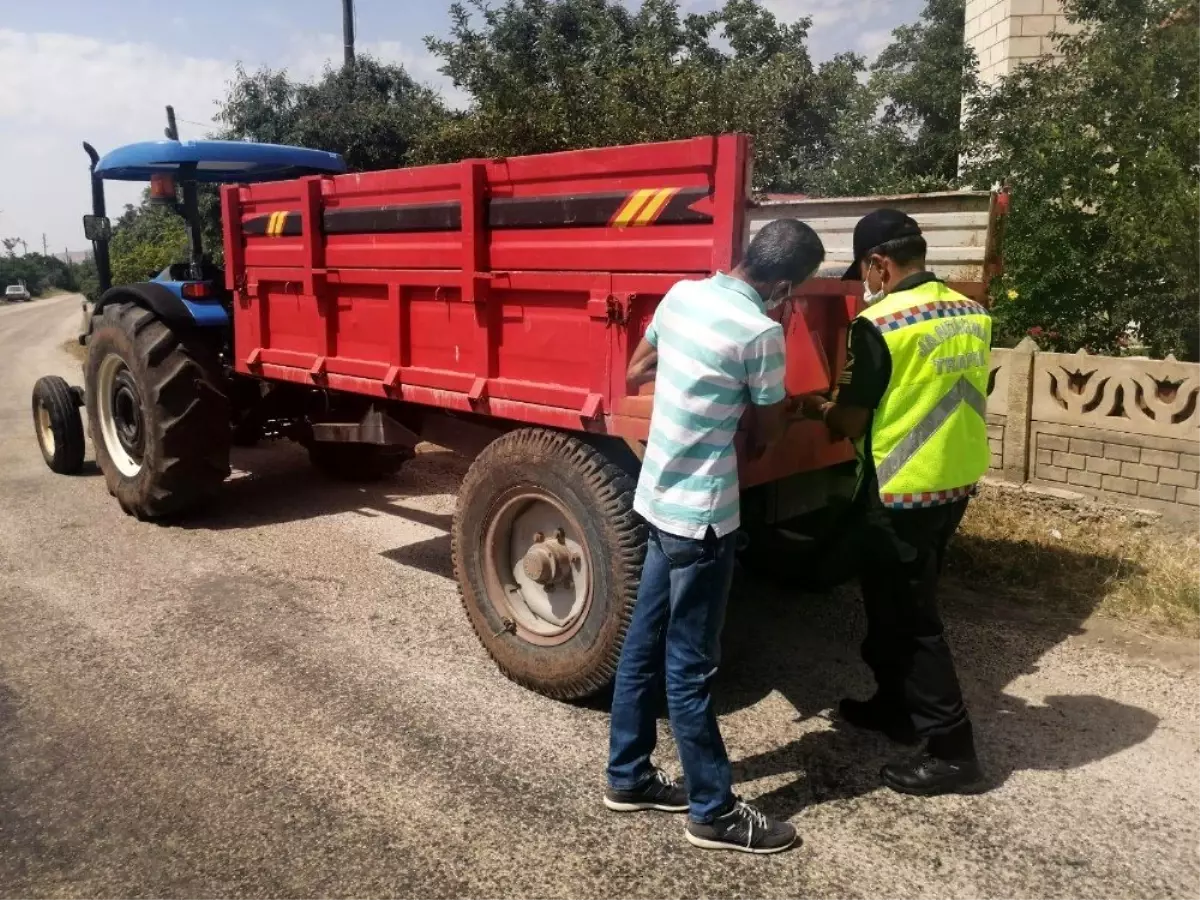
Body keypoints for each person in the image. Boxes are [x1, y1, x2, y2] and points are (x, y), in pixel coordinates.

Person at [605, 219, 825, 854]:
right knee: (691, 666)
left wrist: (691, 388)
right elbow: (771, 427)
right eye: (794, 292)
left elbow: (639, 367)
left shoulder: (680, 296)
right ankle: (714, 811)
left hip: (657, 497)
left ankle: (629, 776)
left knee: (642, 647)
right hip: (703, 517)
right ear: (784, 285)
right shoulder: (760, 332)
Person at [797, 209, 991, 796]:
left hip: (902, 488)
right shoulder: (971, 311)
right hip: (953, 480)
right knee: (885, 600)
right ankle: (894, 706)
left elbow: (853, 419)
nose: (865, 282)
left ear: (879, 262)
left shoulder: (879, 323)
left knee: (912, 620)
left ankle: (955, 752)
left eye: (865, 271)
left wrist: (814, 409)